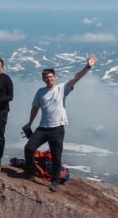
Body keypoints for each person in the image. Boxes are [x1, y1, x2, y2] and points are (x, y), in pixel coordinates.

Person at [22, 54, 97, 192]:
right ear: (43, 79)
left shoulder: (62, 89)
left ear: (54, 77)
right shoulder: (40, 92)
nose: (49, 79)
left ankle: (55, 180)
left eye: (51, 76)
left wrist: (88, 66)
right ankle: (30, 172)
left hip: (57, 128)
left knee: (56, 156)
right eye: (46, 77)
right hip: (43, 128)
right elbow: (35, 108)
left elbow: (76, 78)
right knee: (29, 148)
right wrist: (29, 123)